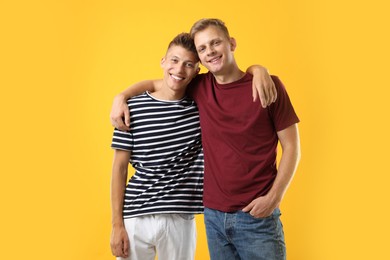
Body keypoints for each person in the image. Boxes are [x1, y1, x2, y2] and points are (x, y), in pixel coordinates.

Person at [111, 18, 300, 260]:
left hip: (257, 218)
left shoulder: (268, 85)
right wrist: (121, 95)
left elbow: (292, 146)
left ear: (231, 43)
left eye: (215, 43)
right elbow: (166, 82)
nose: (209, 51)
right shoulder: (199, 87)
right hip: (213, 217)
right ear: (201, 60)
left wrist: (274, 198)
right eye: (202, 48)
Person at [110, 33, 204, 260]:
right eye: (174, 60)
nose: (179, 69)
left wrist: (257, 69)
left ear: (197, 71)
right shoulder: (131, 107)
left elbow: (231, 79)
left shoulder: (202, 106)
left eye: (188, 64)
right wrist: (116, 225)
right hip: (135, 216)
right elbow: (119, 168)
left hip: (179, 218)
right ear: (163, 61)